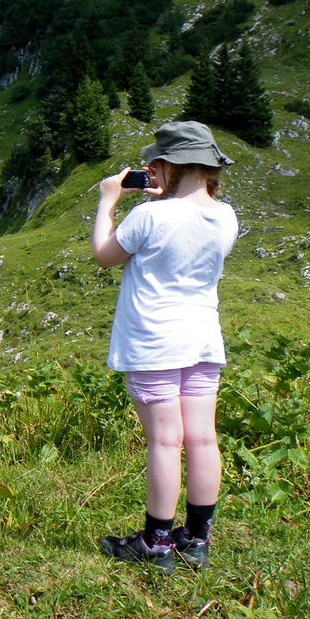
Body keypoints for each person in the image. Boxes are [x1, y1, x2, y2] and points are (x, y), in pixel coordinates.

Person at [89, 120, 237, 572]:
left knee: (164, 441)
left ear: (168, 166)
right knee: (202, 438)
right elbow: (186, 228)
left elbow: (103, 255)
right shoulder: (226, 216)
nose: (150, 171)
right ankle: (195, 539)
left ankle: (155, 543)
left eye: (155, 165)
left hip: (154, 342)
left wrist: (107, 202)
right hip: (203, 341)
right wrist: (168, 198)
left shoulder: (148, 216)